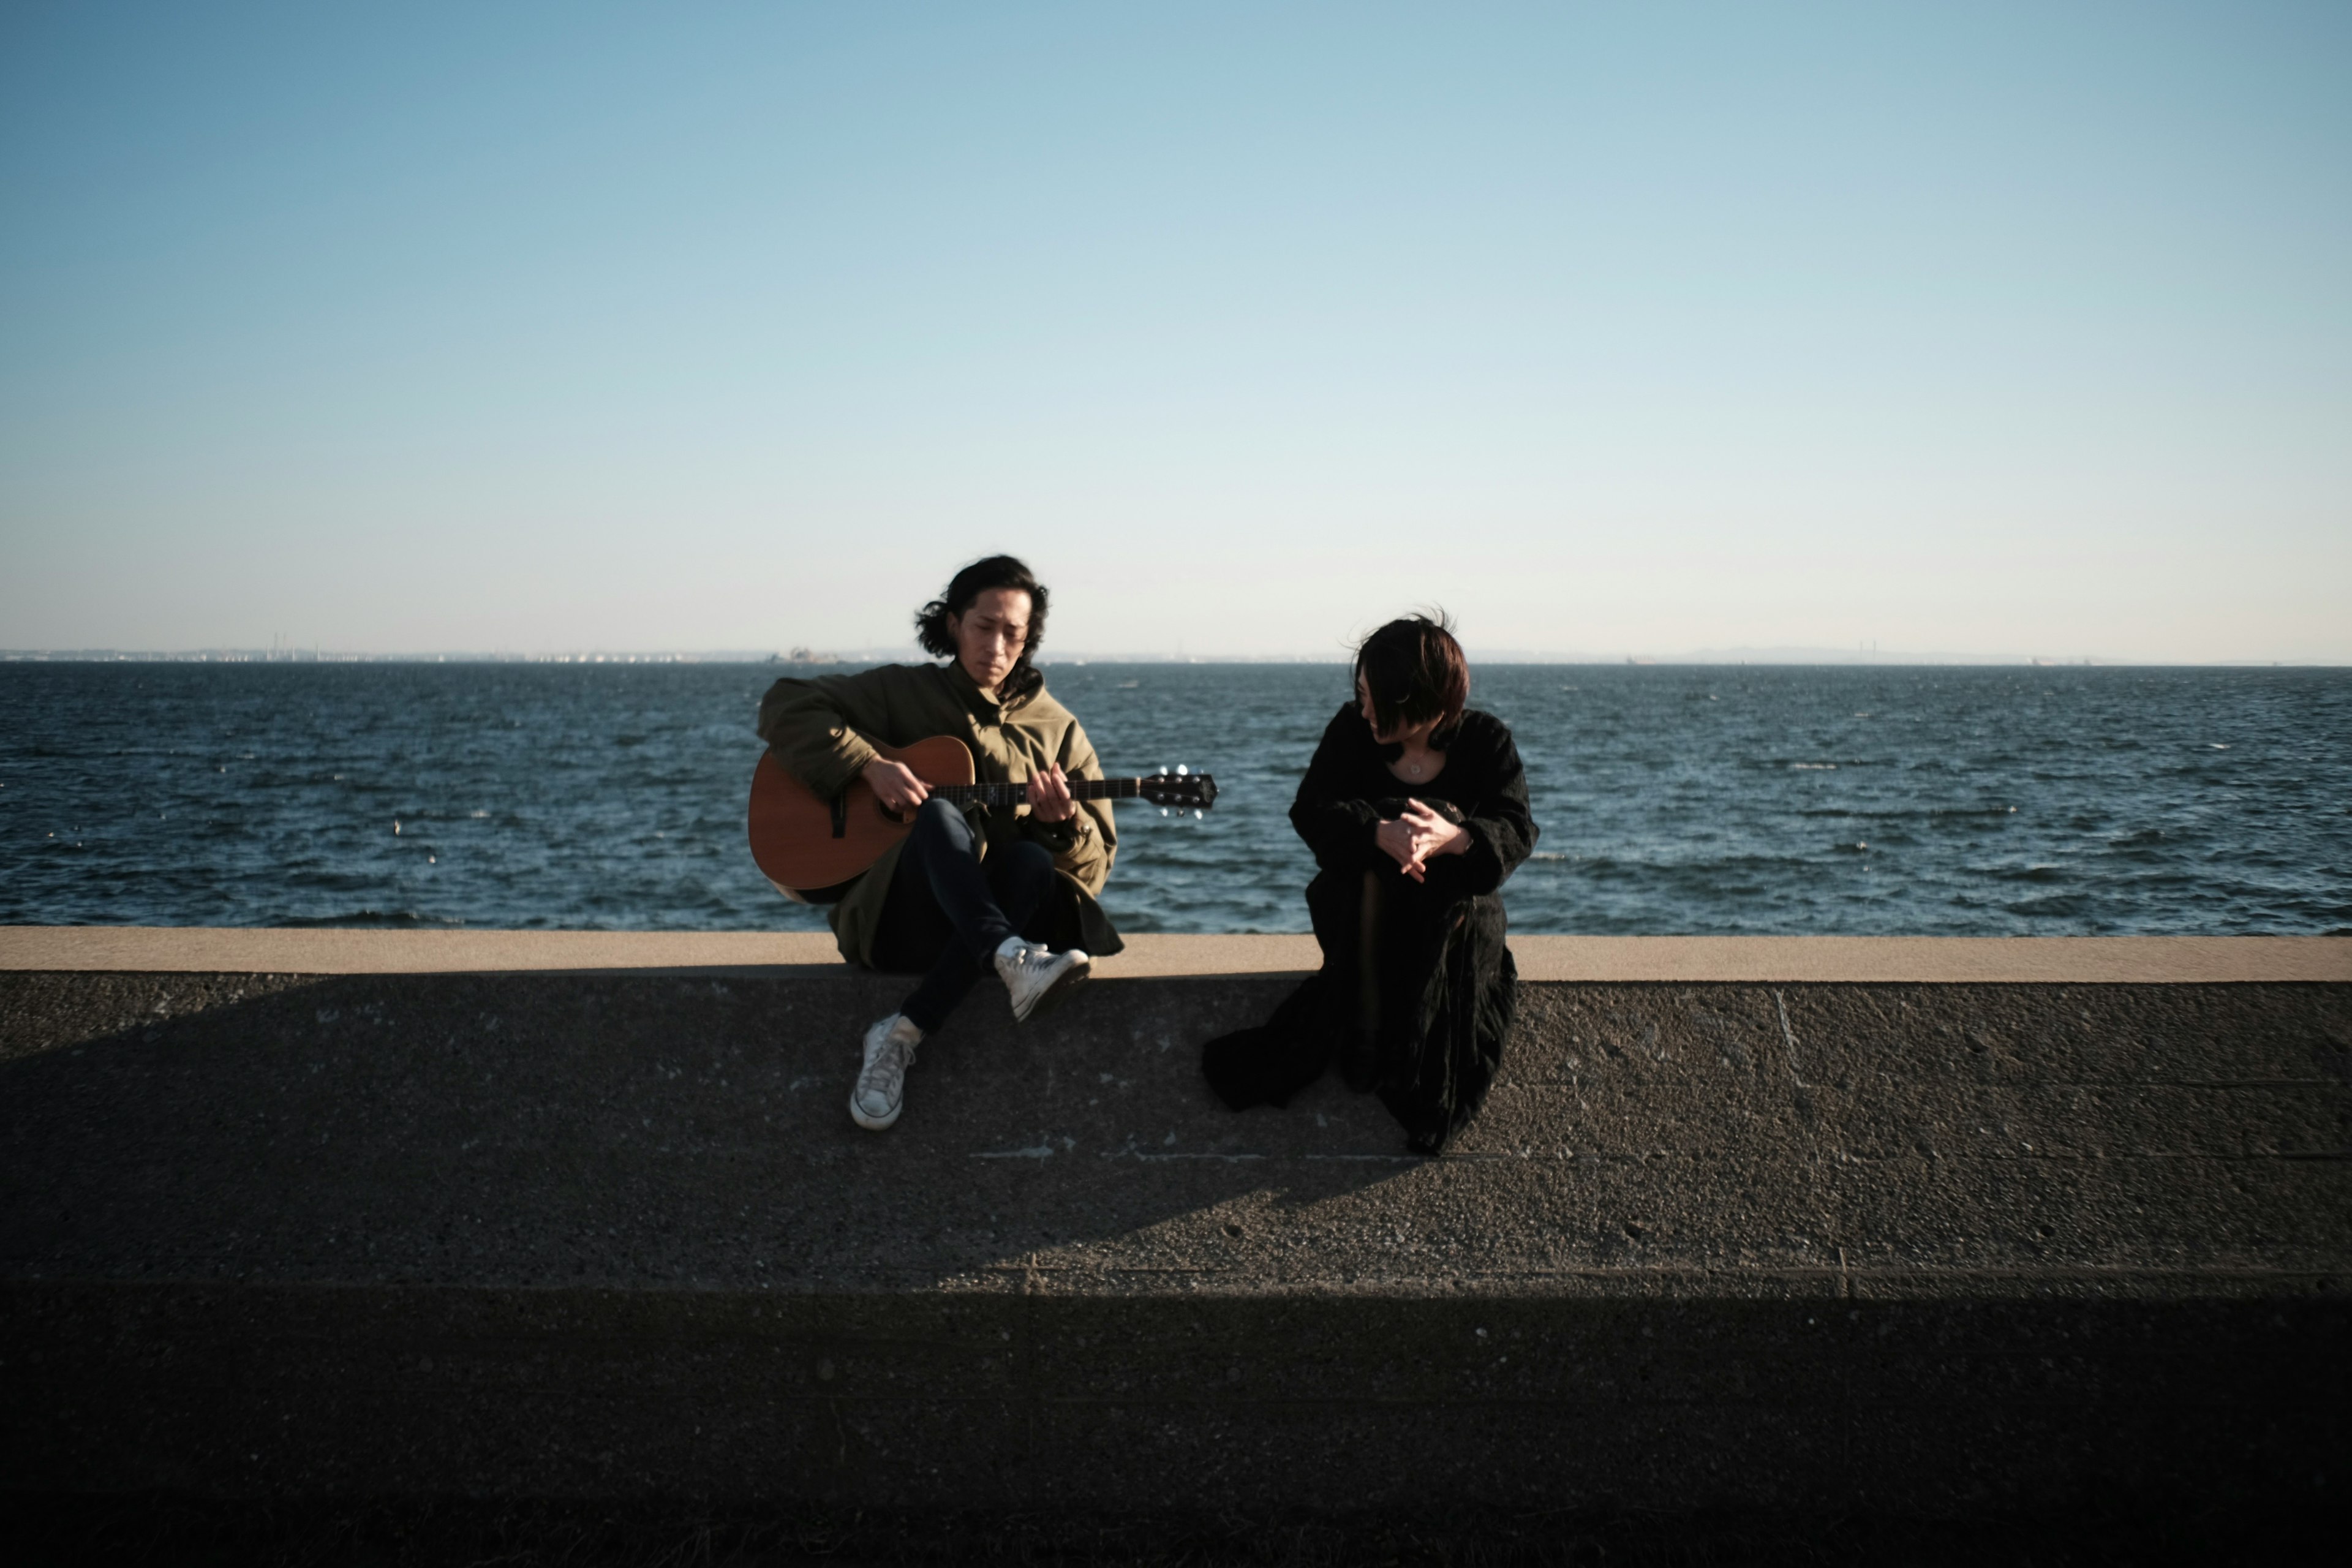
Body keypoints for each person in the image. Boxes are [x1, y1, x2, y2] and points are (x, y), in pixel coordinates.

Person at [758, 556, 1120, 1132]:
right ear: (953, 624)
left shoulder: (1060, 731)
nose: (997, 647)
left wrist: (1063, 827)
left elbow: (1094, 869)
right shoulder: (902, 693)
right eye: (984, 626)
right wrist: (867, 765)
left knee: (1029, 859)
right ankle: (1011, 957)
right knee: (939, 815)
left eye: (1014, 634)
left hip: (989, 932)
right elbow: (785, 703)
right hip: (902, 923)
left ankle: (904, 1031)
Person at [1201, 614, 1535, 1155]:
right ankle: (1372, 1025)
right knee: (1384, 816)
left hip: (1452, 927)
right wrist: (1379, 832)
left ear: (1415, 697)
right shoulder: (1352, 731)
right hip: (1364, 917)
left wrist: (1452, 838)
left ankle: (1396, 1040)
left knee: (1446, 825)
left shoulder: (1486, 741)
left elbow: (1516, 829)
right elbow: (1310, 810)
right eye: (1360, 694)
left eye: (1375, 697)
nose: (1365, 709)